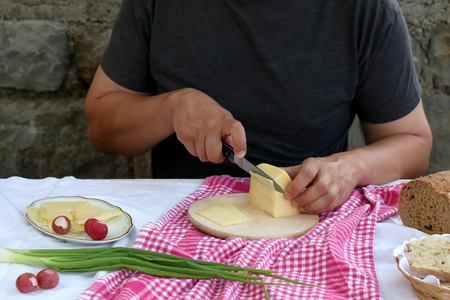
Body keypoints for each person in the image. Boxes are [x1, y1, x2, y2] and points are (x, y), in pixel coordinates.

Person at [84, 0, 433, 214]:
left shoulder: (367, 10)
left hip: (310, 228)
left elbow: (413, 143)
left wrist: (349, 168)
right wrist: (172, 107)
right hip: (177, 227)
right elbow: (100, 127)